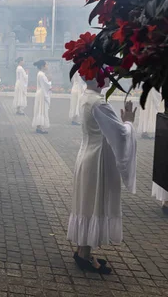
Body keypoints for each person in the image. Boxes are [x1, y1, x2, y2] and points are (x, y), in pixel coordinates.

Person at [67, 77, 137, 274]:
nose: (109, 77)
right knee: (93, 205)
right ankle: (85, 257)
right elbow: (121, 134)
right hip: (97, 159)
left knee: (86, 203)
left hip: (87, 154)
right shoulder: (99, 102)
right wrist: (129, 123)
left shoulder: (87, 96)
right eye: (106, 72)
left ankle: (82, 250)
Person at [32, 60, 52, 134]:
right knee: (41, 110)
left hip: (40, 93)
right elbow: (46, 85)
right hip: (42, 94)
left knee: (39, 109)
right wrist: (49, 81)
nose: (47, 66)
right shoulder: (42, 75)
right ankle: (39, 127)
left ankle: (39, 127)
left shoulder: (40, 74)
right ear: (43, 66)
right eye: (46, 64)